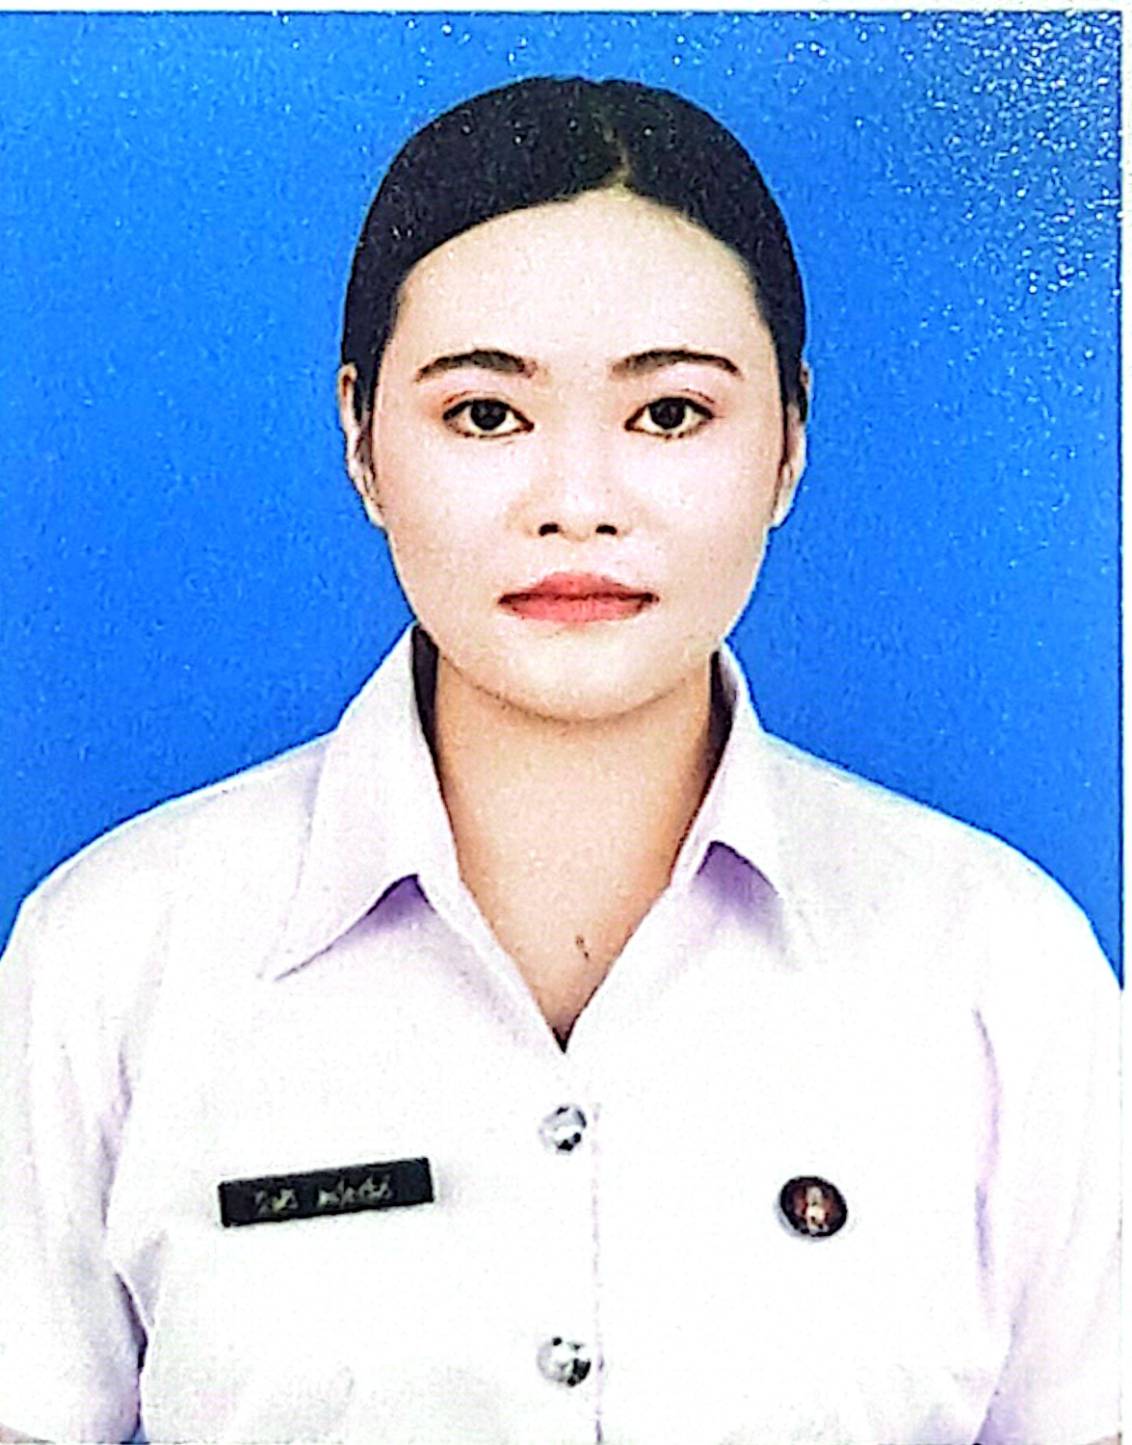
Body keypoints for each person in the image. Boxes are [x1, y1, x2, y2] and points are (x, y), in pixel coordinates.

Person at [0, 75, 1119, 1445]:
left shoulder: (996, 966)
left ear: (789, 442)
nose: (577, 505)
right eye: (485, 415)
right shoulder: (115, 958)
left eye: (670, 415)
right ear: (361, 440)